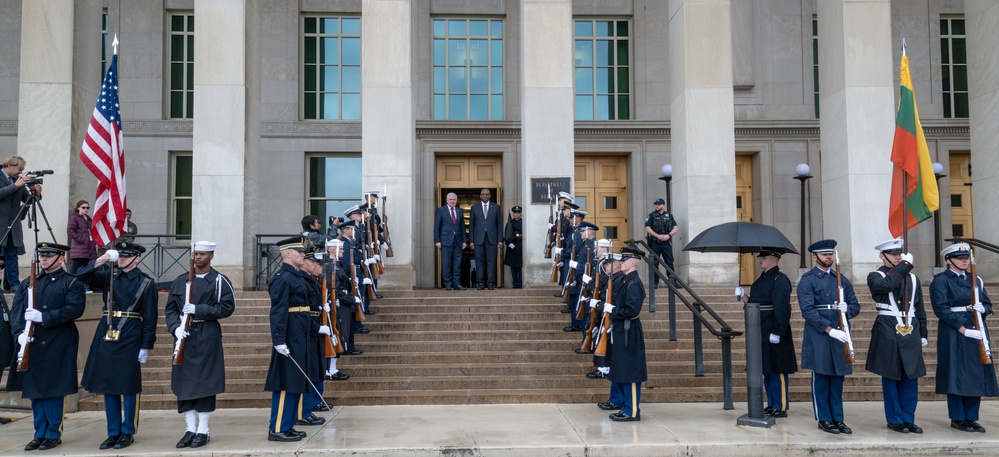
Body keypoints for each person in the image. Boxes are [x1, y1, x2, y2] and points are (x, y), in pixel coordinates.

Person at [76, 241, 158, 449]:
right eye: (119, 255)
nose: (121, 259)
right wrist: (102, 259)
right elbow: (79, 276)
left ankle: (127, 431)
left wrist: (146, 345)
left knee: (128, 385)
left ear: (137, 258)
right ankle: (113, 431)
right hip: (107, 330)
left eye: (126, 256)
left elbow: (150, 317)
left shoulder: (146, 283)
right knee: (108, 384)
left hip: (130, 333)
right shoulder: (108, 275)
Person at [7, 242, 85, 451]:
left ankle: (53, 433)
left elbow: (74, 309)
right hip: (32, 342)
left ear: (61, 258)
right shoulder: (27, 284)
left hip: (57, 342)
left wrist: (44, 316)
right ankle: (39, 432)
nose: (44, 259)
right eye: (42, 256)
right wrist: (19, 334)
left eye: (49, 256)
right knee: (35, 390)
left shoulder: (71, 283)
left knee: (53, 390)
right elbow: (16, 313)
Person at [164, 240, 236, 449]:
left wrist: (200, 309)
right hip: (184, 336)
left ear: (211, 256)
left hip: (206, 335)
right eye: (196, 254)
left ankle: (203, 429)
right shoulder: (180, 282)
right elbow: (170, 310)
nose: (198, 257)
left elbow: (227, 307)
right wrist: (175, 327)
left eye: (203, 254)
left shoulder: (219, 281)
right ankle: (189, 429)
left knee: (205, 382)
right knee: (184, 382)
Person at [931, 242, 999, 433]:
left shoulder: (975, 279)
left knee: (975, 373)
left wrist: (983, 308)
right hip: (955, 330)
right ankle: (958, 417)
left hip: (977, 327)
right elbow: (941, 308)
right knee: (956, 372)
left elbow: (987, 303)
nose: (964, 261)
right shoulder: (942, 280)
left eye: (966, 258)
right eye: (960, 258)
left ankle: (972, 417)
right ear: (948, 260)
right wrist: (963, 328)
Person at [797, 239, 860, 434]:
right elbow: (807, 311)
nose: (829, 258)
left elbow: (856, 306)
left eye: (831, 254)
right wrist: (829, 329)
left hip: (840, 332)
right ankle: (824, 418)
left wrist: (847, 309)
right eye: (825, 255)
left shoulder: (841, 279)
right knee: (822, 378)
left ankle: (838, 418)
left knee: (837, 379)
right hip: (820, 334)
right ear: (815, 256)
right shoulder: (808, 280)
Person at [866, 238, 927, 434]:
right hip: (888, 328)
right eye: (893, 254)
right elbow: (887, 285)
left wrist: (923, 333)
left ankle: (908, 418)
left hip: (910, 328)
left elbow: (920, 308)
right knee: (891, 376)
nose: (898, 257)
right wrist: (905, 265)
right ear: (882, 256)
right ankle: (894, 419)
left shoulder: (913, 278)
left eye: (900, 254)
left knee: (911, 376)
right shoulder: (875, 275)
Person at [265, 236, 315, 442]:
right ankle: (278, 428)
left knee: (296, 380)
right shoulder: (282, 278)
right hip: (290, 334)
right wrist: (278, 340)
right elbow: (278, 311)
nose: (303, 255)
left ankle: (288, 424)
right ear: (287, 254)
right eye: (299, 252)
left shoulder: (296, 277)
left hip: (300, 332)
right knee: (286, 382)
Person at [740, 250, 797, 418]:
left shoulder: (779, 280)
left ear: (773, 259)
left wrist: (778, 331)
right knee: (767, 368)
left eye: (763, 258)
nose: (760, 260)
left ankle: (781, 406)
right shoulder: (762, 280)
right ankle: (772, 404)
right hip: (761, 329)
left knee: (777, 369)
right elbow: (756, 304)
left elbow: (782, 308)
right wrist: (744, 297)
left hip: (774, 329)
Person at [603, 246, 648, 422]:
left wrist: (613, 310)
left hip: (630, 329)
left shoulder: (634, 283)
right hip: (621, 328)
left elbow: (631, 310)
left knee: (630, 371)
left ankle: (632, 411)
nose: (620, 263)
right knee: (621, 368)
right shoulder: (625, 281)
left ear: (632, 262)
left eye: (623, 261)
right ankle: (624, 406)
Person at [295, 248, 329, 427]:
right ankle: (303, 411)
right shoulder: (302, 280)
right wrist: (317, 327)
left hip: (314, 328)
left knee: (316, 368)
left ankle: (311, 405)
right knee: (309, 371)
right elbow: (303, 310)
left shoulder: (311, 280)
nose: (317, 266)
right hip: (309, 329)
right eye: (314, 263)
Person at [0, 156, 42, 291]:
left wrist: (36, 194)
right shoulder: (15, 182)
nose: (21, 172)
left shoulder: (17, 181)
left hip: (13, 225)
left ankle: (13, 284)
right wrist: (16, 185)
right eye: (19, 169)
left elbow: (28, 200)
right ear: (9, 166)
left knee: (11, 255)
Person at [323, 238, 353, 382]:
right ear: (333, 250)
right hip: (337, 307)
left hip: (341, 306)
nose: (343, 251)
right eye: (340, 249)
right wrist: (352, 299)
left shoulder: (336, 265)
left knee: (339, 337)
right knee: (336, 337)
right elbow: (335, 289)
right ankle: (330, 369)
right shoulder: (330, 267)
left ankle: (333, 368)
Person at [337, 219, 365, 353]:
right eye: (352, 230)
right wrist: (353, 280)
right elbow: (347, 265)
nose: (354, 232)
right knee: (349, 317)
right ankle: (349, 346)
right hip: (349, 283)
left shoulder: (349, 243)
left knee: (353, 314)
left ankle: (350, 345)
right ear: (346, 230)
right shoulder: (344, 244)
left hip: (354, 280)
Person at [565, 222, 597, 332]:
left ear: (590, 232)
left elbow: (591, 265)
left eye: (583, 231)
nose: (581, 233)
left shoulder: (593, 246)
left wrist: (577, 266)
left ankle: (585, 336)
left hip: (587, 281)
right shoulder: (586, 245)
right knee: (580, 306)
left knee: (584, 309)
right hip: (580, 279)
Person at [468, 188, 502, 290]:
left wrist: (500, 240)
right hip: (478, 239)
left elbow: (499, 225)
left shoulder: (496, 207)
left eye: (487, 194)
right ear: (480, 196)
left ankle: (491, 283)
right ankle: (480, 283)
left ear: (490, 196)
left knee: (491, 262)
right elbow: (471, 226)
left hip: (492, 239)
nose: (485, 196)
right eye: (483, 194)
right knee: (479, 262)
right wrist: (471, 241)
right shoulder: (475, 208)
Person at [434, 192, 466, 290]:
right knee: (446, 263)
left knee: (457, 264)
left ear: (456, 201)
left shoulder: (459, 210)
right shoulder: (441, 210)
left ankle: (456, 283)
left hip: (458, 241)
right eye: (450, 199)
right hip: (445, 241)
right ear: (447, 200)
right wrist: (437, 240)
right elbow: (437, 227)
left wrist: (464, 241)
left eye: (454, 200)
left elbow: (462, 227)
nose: (452, 201)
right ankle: (448, 284)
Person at [644, 197, 677, 286]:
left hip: (666, 242)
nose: (657, 206)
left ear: (663, 205)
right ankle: (654, 283)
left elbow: (675, 227)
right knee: (654, 262)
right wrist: (657, 235)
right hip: (655, 242)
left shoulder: (669, 216)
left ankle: (673, 282)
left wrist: (668, 235)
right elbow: (647, 228)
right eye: (656, 205)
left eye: (659, 204)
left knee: (669, 262)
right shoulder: (651, 215)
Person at [67, 200, 98, 274]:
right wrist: (81, 240)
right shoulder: (74, 217)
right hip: (79, 250)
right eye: (83, 207)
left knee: (87, 271)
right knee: (75, 270)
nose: (86, 209)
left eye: (87, 208)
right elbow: (70, 231)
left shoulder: (89, 219)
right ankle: (71, 284)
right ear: (78, 208)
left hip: (89, 250)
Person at [504, 206, 523, 288]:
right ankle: (515, 281)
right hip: (513, 246)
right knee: (513, 266)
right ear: (513, 214)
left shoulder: (524, 222)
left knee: (520, 265)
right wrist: (512, 246)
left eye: (519, 213)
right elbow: (507, 236)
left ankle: (520, 281)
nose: (517, 214)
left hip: (521, 244)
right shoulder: (510, 223)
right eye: (515, 213)